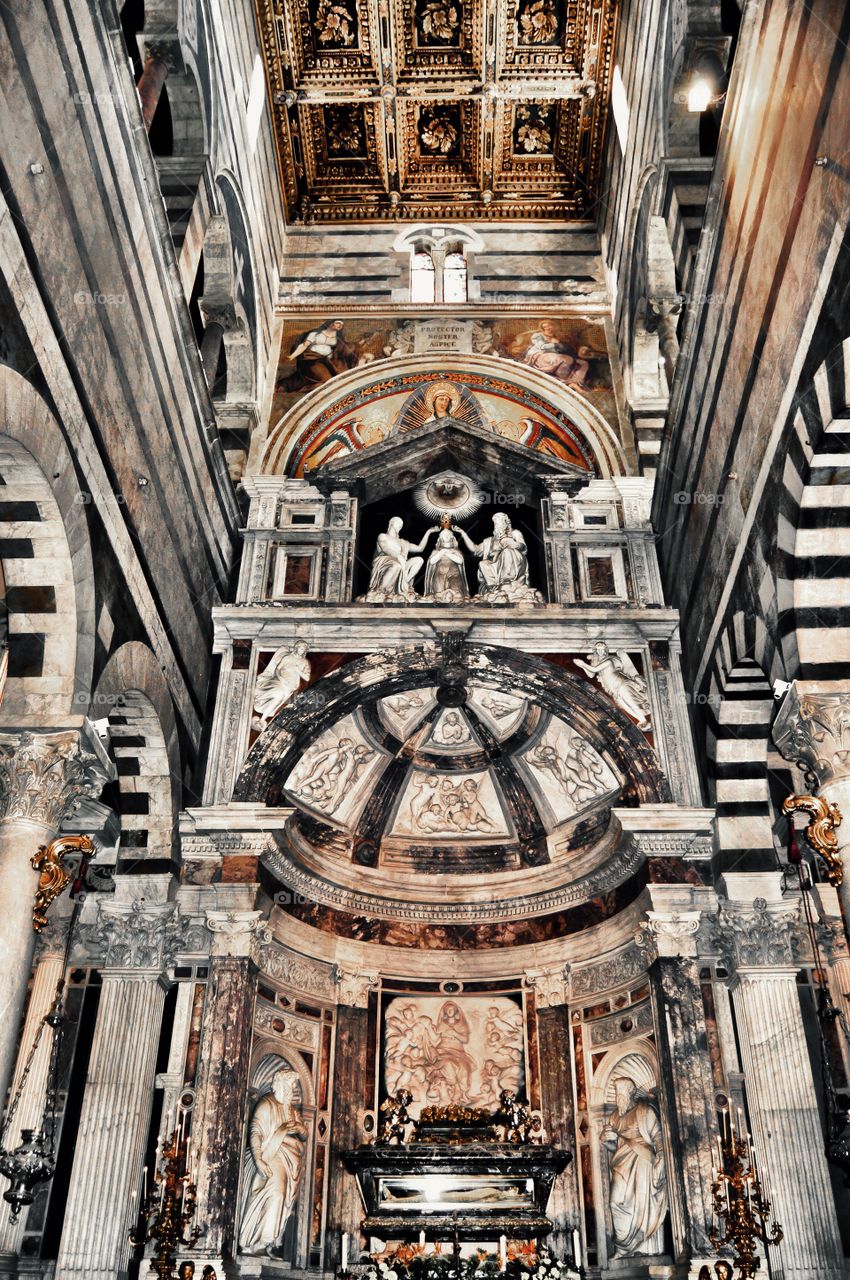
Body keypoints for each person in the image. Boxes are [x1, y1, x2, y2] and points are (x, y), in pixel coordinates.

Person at [239, 1070, 308, 1256]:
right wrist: (258, 1158)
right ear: (279, 1085)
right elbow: (256, 1132)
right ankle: (257, 1241)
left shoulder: (292, 1110)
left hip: (291, 1160)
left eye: (293, 1088)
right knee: (277, 1193)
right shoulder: (266, 1104)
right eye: (289, 1087)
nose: (292, 1091)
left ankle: (270, 1241)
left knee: (285, 1198)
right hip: (271, 1155)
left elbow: (304, 1134)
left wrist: (300, 1128)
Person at [600, 1078, 667, 1257]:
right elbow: (615, 1147)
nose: (617, 1094)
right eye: (616, 1090)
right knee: (615, 1202)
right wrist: (608, 1141)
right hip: (621, 1164)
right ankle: (623, 1247)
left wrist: (660, 1158)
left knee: (642, 1202)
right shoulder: (614, 1116)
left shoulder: (644, 1111)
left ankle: (644, 1247)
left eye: (620, 1090)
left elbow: (658, 1137)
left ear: (630, 1091)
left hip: (642, 1161)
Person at [458, 514, 541, 603]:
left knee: (507, 552)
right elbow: (475, 549)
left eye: (500, 522)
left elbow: (523, 546)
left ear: (506, 523)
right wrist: (463, 534)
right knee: (483, 563)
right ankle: (494, 589)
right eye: (496, 523)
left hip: (514, 561)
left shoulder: (514, 533)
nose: (498, 525)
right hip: (495, 566)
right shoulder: (490, 541)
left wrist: (514, 544)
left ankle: (507, 581)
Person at [362, 517, 438, 601]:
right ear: (391, 523)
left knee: (419, 560)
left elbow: (420, 548)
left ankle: (405, 583)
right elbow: (385, 549)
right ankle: (381, 590)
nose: (400, 525)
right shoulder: (383, 536)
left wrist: (428, 532)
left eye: (401, 524)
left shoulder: (402, 542)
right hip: (385, 562)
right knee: (397, 565)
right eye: (398, 522)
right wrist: (398, 556)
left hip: (402, 563)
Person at [252, 641, 311, 727]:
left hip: (290, 687)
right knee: (278, 695)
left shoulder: (305, 662)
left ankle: (262, 719)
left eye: (303, 649)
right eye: (300, 648)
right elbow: (277, 670)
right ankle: (262, 718)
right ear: (296, 648)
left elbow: (307, 678)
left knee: (279, 698)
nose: (301, 650)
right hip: (280, 681)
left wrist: (298, 670)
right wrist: (281, 679)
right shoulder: (287, 657)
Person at [517, 319, 590, 388]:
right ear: (542, 328)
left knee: (583, 363)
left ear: (553, 326)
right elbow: (542, 347)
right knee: (566, 360)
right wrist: (555, 344)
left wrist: (558, 343)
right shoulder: (538, 335)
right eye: (545, 327)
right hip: (539, 355)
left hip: (554, 355)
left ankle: (575, 382)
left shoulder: (559, 336)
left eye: (549, 326)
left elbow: (566, 349)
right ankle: (565, 383)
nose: (547, 328)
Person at [423, 520, 470, 599]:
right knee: (438, 594)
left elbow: (460, 561)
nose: (446, 535)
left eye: (448, 534)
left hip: (454, 574)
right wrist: (442, 552)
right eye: (444, 534)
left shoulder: (455, 550)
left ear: (452, 538)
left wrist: (447, 553)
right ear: (440, 538)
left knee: (457, 593)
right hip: (439, 574)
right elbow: (431, 561)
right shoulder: (437, 551)